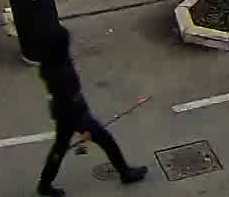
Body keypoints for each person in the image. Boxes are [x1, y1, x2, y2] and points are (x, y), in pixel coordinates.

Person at [35, 25, 147, 195]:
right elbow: (71, 98)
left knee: (60, 147)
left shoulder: (51, 63)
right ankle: (125, 172)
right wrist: (85, 129)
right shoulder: (61, 72)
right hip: (74, 114)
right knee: (105, 140)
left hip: (65, 111)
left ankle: (44, 184)